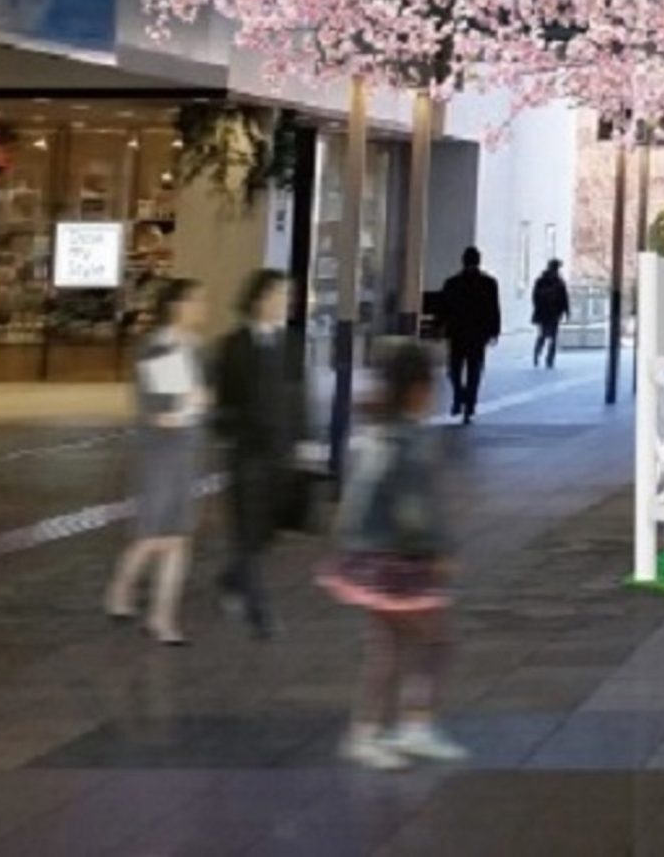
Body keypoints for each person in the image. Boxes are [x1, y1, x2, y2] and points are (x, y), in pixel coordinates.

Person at [320, 341, 466, 770]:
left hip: (371, 557)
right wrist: (439, 549)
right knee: (433, 640)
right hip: (400, 561)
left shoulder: (379, 430)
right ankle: (395, 727)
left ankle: (389, 727)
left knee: (391, 646)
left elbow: (359, 494)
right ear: (418, 388)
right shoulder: (408, 438)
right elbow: (414, 505)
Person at [103, 279, 209, 645]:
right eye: (196, 300)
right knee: (153, 536)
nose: (202, 307)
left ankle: (162, 618)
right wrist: (194, 403)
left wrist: (196, 403)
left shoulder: (192, 348)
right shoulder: (162, 349)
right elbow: (164, 410)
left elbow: (188, 402)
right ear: (177, 306)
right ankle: (121, 590)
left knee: (177, 537)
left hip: (183, 450)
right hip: (160, 453)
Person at [211, 268, 301, 640]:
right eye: (280, 296)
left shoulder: (291, 344)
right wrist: (231, 433)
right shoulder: (234, 345)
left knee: (266, 531)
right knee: (246, 531)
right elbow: (224, 399)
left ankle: (231, 579)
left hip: (281, 453)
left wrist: (306, 443)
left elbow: (299, 396)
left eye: (288, 297)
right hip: (247, 453)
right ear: (260, 299)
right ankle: (259, 612)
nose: (286, 303)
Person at [436, 247, 501, 423]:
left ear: (462, 261)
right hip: (478, 334)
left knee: (454, 369)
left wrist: (440, 327)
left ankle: (459, 394)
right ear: (479, 261)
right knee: (475, 369)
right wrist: (494, 331)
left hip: (457, 332)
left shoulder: (452, 283)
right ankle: (470, 404)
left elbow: (443, 309)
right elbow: (494, 309)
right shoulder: (489, 284)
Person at [530, 259, 571, 369]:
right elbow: (564, 298)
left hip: (551, 312)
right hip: (548, 312)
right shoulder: (551, 281)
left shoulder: (553, 281)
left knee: (549, 336)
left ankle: (546, 357)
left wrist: (566, 311)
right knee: (546, 336)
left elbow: (564, 298)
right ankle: (542, 356)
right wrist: (566, 311)